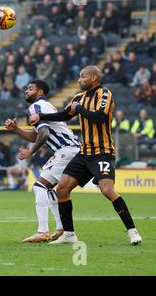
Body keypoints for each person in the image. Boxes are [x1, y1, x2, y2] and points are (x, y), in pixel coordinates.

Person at [29, 66, 142, 245]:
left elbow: (99, 117)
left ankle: (132, 231)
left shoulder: (104, 94)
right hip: (84, 153)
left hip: (102, 152)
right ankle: (69, 234)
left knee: (107, 190)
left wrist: (79, 108)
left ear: (94, 78)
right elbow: (63, 115)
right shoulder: (78, 98)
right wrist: (40, 116)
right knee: (62, 189)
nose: (79, 79)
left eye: (83, 77)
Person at [5, 80, 80, 243]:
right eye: (26, 88)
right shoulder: (45, 107)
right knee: (49, 188)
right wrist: (16, 129)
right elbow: (37, 135)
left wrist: (31, 151)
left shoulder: (36, 107)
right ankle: (61, 228)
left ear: (40, 92)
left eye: (30, 88)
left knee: (40, 186)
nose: (26, 91)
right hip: (71, 149)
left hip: (66, 149)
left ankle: (43, 231)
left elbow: (44, 134)